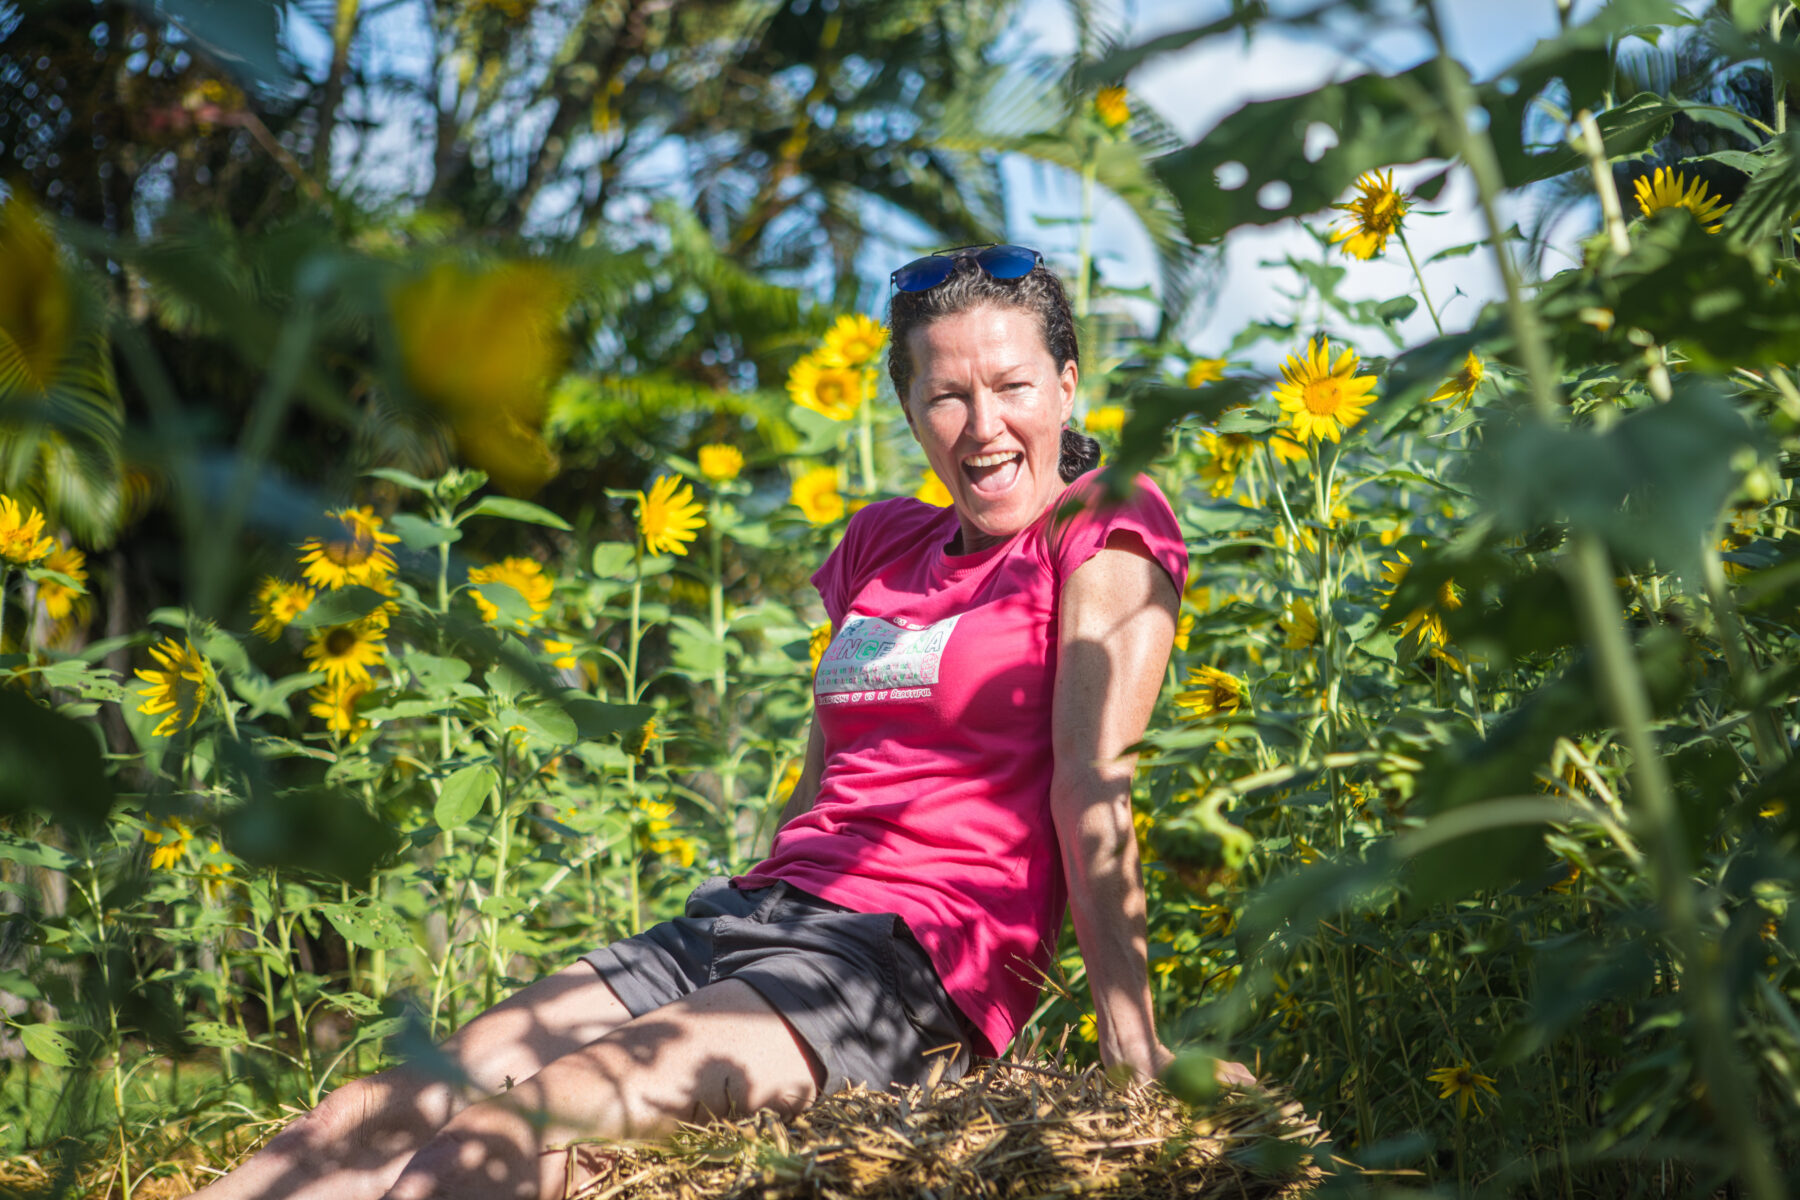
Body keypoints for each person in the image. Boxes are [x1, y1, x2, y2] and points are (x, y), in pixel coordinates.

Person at [188, 244, 1251, 1200]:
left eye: (1013, 387)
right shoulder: (883, 543)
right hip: (754, 916)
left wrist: (1134, 1043)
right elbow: (824, 772)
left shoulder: (1104, 518)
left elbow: (1089, 779)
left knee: (517, 1131)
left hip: (904, 963)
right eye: (945, 396)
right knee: (378, 1109)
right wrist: (737, 938)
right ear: (909, 406)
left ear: (1066, 387)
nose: (983, 428)